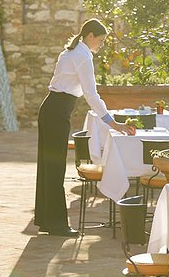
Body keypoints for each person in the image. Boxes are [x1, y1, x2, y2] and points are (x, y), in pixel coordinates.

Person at [33, 18, 135, 237]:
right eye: (100, 40)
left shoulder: (72, 52)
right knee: (54, 167)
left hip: (52, 110)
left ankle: (47, 221)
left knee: (49, 167)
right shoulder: (81, 56)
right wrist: (112, 122)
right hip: (56, 113)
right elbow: (91, 94)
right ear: (90, 36)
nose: (101, 45)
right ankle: (57, 225)